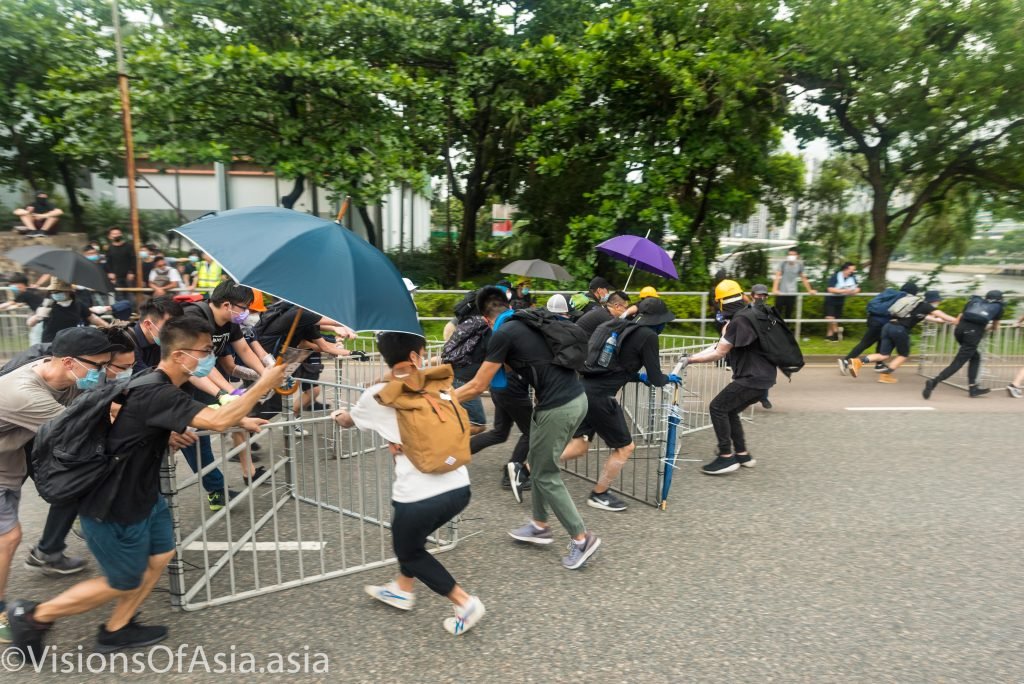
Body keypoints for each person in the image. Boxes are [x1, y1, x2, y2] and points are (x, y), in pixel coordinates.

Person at [6, 317, 286, 657]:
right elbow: (216, 419)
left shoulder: (162, 384)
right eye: (206, 351)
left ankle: (117, 629)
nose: (211, 356)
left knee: (161, 554)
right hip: (113, 502)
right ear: (182, 355)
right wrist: (264, 383)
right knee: (122, 580)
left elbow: (193, 415)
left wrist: (242, 418)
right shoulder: (156, 389)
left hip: (143, 493)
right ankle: (32, 616)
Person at [332, 332, 484, 636]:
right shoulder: (438, 384)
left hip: (418, 497)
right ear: (416, 356)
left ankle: (464, 603)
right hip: (458, 487)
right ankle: (402, 588)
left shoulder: (376, 395)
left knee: (409, 550)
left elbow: (350, 421)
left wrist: (339, 415)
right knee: (411, 539)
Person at [455, 286, 601, 570]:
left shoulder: (503, 333)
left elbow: (477, 385)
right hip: (573, 399)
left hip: (558, 407)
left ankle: (582, 538)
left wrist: (440, 400)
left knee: (545, 474)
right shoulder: (529, 320)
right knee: (535, 462)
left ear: (485, 318)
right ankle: (539, 524)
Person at [0, 328, 116, 643]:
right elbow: (79, 433)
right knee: (8, 538)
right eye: (97, 366)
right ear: (68, 361)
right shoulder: (26, 394)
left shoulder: (64, 378)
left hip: (9, 464)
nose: (102, 373)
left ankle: (48, 552)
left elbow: (95, 409)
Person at [561, 297, 681, 511]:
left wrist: (637, 377)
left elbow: (614, 366)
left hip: (582, 389)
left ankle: (528, 467)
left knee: (579, 445)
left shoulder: (618, 326)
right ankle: (599, 494)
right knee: (625, 447)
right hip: (600, 397)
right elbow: (656, 378)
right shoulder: (648, 336)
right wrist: (668, 378)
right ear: (657, 321)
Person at [683, 279, 775, 475]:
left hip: (751, 378)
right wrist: (692, 357)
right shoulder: (752, 315)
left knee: (717, 407)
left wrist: (690, 361)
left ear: (721, 302)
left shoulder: (736, 322)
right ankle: (742, 454)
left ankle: (725, 456)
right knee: (730, 410)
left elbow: (719, 352)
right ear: (742, 296)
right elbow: (720, 346)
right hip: (765, 379)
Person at [850, 290, 958, 383]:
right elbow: (943, 316)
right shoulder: (927, 307)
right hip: (899, 330)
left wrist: (940, 321)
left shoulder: (916, 305)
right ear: (934, 300)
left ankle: (858, 362)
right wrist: (957, 321)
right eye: (938, 300)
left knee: (884, 355)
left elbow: (931, 318)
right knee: (903, 354)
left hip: (888, 326)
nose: (938, 302)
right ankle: (885, 376)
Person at [923, 290, 1005, 399]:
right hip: (972, 334)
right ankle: (934, 381)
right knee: (958, 362)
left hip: (959, 331)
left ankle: (973, 388)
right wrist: (986, 328)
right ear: (1000, 299)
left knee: (975, 357)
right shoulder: (998, 307)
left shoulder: (975, 301)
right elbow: (995, 327)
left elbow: (959, 319)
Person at [838, 282, 919, 377]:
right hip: (883, 323)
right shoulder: (904, 299)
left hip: (873, 319)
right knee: (865, 343)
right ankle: (846, 361)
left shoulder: (891, 293)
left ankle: (879, 364)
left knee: (881, 344)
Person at [31, 280, 109, 343]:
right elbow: (30, 323)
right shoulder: (48, 304)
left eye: (58, 291)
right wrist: (37, 316)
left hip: (71, 344)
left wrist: (109, 327)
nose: (55, 294)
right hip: (50, 344)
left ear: (68, 292)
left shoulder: (78, 304)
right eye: (53, 292)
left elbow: (92, 317)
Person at [771, 247, 817, 320]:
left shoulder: (799, 265)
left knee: (788, 315)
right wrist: (774, 289)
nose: (791, 256)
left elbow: (803, 278)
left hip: (792, 293)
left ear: (797, 256)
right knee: (777, 314)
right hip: (781, 292)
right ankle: (775, 330)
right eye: (789, 254)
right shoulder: (783, 263)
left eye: (793, 255)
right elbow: (777, 276)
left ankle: (785, 330)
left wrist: (810, 290)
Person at [750, 284, 774, 409]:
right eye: (759, 295)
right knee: (746, 374)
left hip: (764, 347)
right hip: (748, 347)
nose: (761, 297)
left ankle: (763, 397)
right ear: (753, 296)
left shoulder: (769, 310)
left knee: (765, 374)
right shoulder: (746, 310)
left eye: (764, 295)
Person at [824, 262, 860, 341]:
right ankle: (836, 332)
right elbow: (830, 289)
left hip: (840, 300)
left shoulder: (852, 278)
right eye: (852, 269)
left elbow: (858, 288)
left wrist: (854, 291)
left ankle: (829, 335)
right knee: (830, 317)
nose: (853, 271)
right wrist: (844, 291)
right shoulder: (835, 276)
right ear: (846, 269)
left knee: (835, 318)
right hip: (830, 299)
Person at [103, 227, 136, 298]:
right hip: (116, 278)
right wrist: (110, 273)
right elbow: (107, 262)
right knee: (119, 298)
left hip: (128, 277)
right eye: (114, 234)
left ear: (121, 234)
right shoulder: (109, 248)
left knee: (131, 298)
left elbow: (133, 260)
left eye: (118, 233)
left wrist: (131, 272)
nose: (116, 235)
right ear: (110, 236)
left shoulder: (129, 246)